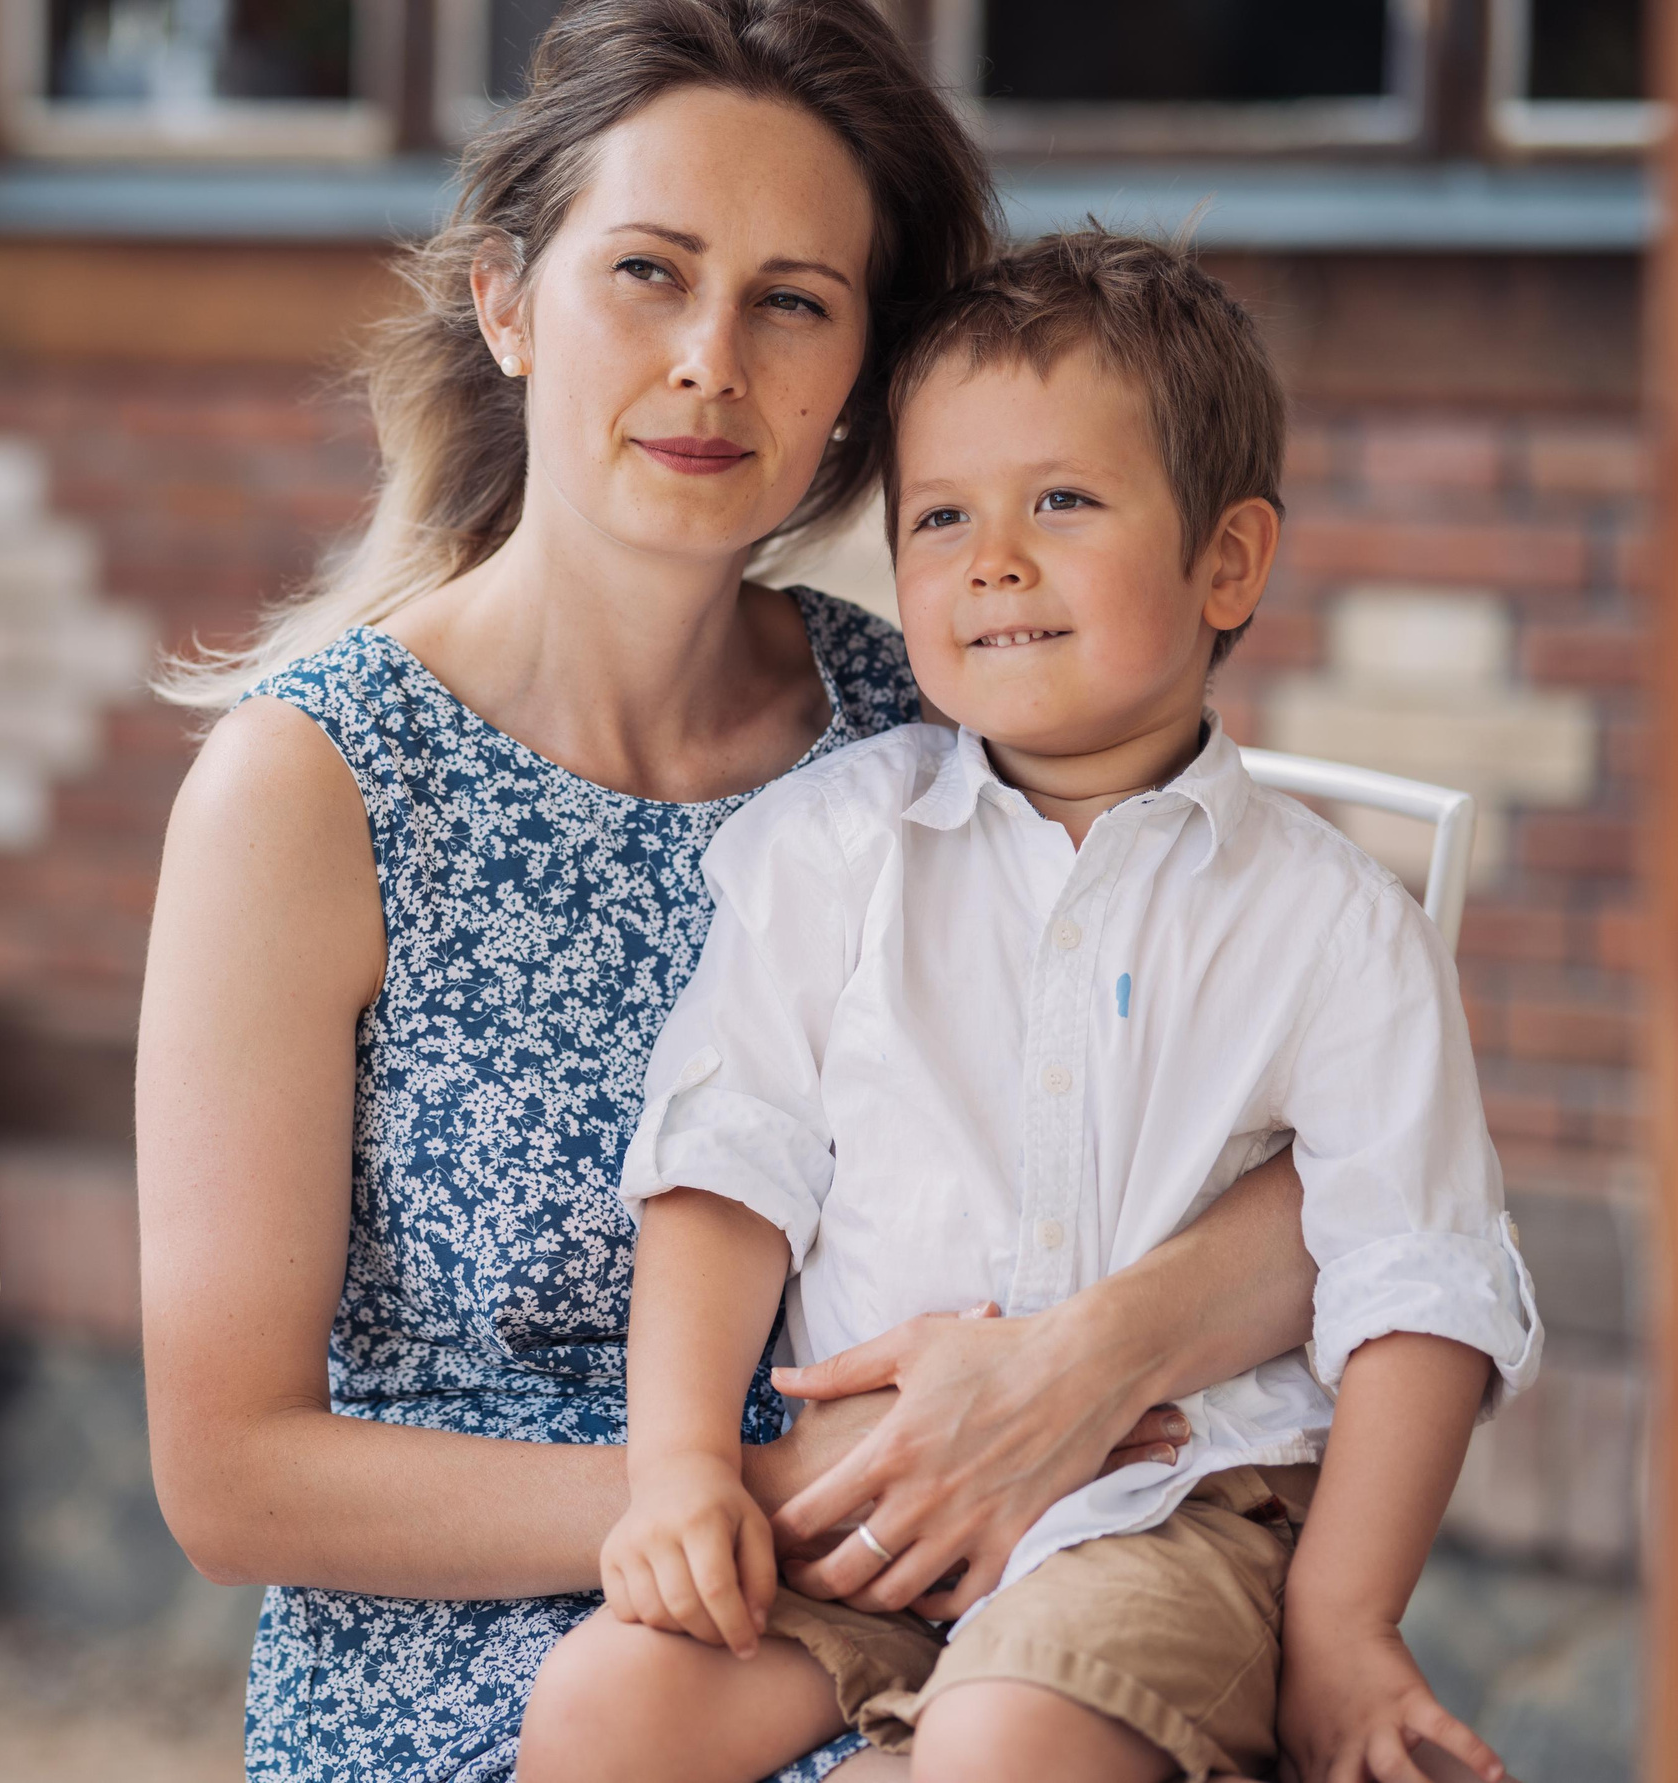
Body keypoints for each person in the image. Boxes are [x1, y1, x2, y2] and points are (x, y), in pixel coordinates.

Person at [136, 4, 1342, 1778]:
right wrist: (764, 1486)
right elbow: (233, 1477)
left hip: (936, 1593)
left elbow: (1337, 1143)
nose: (714, 359)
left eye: (793, 301)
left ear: (862, 372)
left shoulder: (932, 718)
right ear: (508, 304)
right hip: (467, 1665)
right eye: (649, 272)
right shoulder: (311, 786)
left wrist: (1077, 1373)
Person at [517, 232, 1545, 1783]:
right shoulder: (831, 849)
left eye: (1060, 501)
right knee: (606, 1708)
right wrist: (675, 1471)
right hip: (872, 1504)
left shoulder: (1341, 929)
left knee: (999, 1745)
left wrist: (1344, 1622)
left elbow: (1420, 1293)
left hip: (1163, 1517)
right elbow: (724, 1169)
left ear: (1229, 561)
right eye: (941, 516)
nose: (991, 556)